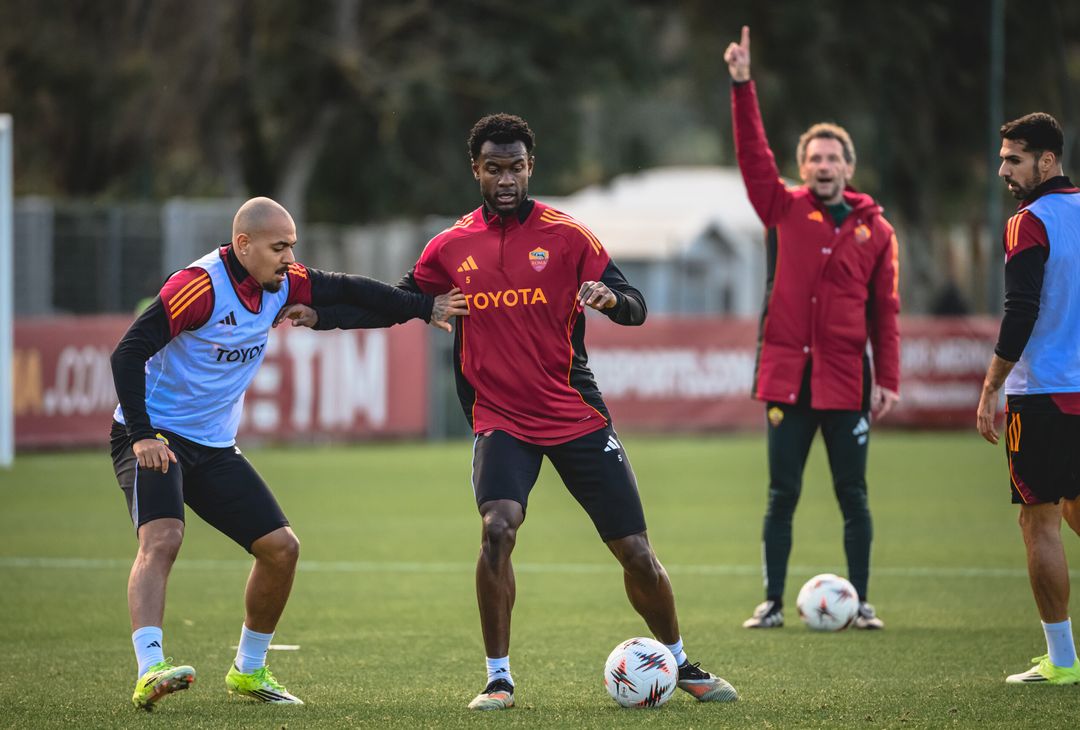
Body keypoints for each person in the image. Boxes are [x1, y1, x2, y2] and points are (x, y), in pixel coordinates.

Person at [281, 114, 738, 710]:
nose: (505, 179)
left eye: (516, 167)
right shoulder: (450, 246)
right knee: (497, 529)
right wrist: (325, 316)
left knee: (635, 552)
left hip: (574, 413)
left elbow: (636, 304)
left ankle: (680, 661)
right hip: (500, 417)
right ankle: (498, 679)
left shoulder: (569, 236)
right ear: (476, 170)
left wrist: (610, 299)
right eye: (493, 168)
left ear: (530, 168)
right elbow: (399, 302)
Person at [109, 197, 467, 710]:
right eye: (279, 247)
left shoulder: (281, 283)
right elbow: (128, 352)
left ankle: (248, 671)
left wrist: (422, 307)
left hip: (213, 445)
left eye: (292, 246)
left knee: (282, 549)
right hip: (154, 435)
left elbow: (353, 291)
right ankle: (150, 670)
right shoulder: (199, 287)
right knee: (163, 538)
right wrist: (143, 435)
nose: (290, 258)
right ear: (243, 245)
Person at [723, 27, 900, 630]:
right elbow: (753, 156)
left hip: (847, 380)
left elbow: (886, 312)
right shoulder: (782, 207)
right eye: (815, 158)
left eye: (833, 158)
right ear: (803, 167)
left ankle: (863, 603)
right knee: (782, 494)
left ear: (849, 167)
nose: (824, 166)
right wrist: (742, 86)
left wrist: (888, 379)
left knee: (854, 494)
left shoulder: (877, 231)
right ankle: (772, 602)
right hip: (787, 378)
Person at [977, 112, 1080, 685]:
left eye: (1014, 159)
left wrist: (992, 384)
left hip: (1043, 396)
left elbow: (1021, 310)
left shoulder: (1028, 223)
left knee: (1039, 522)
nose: (1003, 171)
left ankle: (1062, 662)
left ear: (1047, 160)